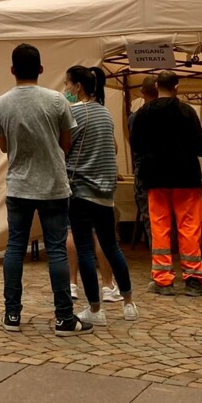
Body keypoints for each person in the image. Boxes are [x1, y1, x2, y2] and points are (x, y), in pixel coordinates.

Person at [0, 43, 91, 335]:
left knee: (14, 249)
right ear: (41, 69)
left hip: (18, 186)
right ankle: (64, 318)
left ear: (12, 70)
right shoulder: (57, 101)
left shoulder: (1, 103)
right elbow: (66, 143)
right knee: (57, 250)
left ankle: (12, 315)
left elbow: (4, 146)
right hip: (53, 187)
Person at [130, 70, 202, 298]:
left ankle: (162, 280)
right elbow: (199, 147)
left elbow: (136, 145)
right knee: (189, 227)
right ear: (177, 86)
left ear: (157, 86)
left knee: (159, 227)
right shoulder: (187, 111)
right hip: (186, 177)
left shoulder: (143, 114)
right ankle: (193, 279)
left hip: (155, 177)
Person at [64, 65, 138, 325]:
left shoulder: (75, 113)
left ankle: (95, 309)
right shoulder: (105, 114)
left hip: (81, 191)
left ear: (78, 86)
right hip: (106, 193)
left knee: (85, 249)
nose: (66, 89)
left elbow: (64, 147)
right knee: (112, 246)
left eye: (68, 84)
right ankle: (128, 303)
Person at [127, 77, 158, 244]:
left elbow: (134, 145)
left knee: (150, 218)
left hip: (145, 172)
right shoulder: (178, 111)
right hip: (173, 171)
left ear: (142, 92)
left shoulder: (135, 118)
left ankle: (160, 260)